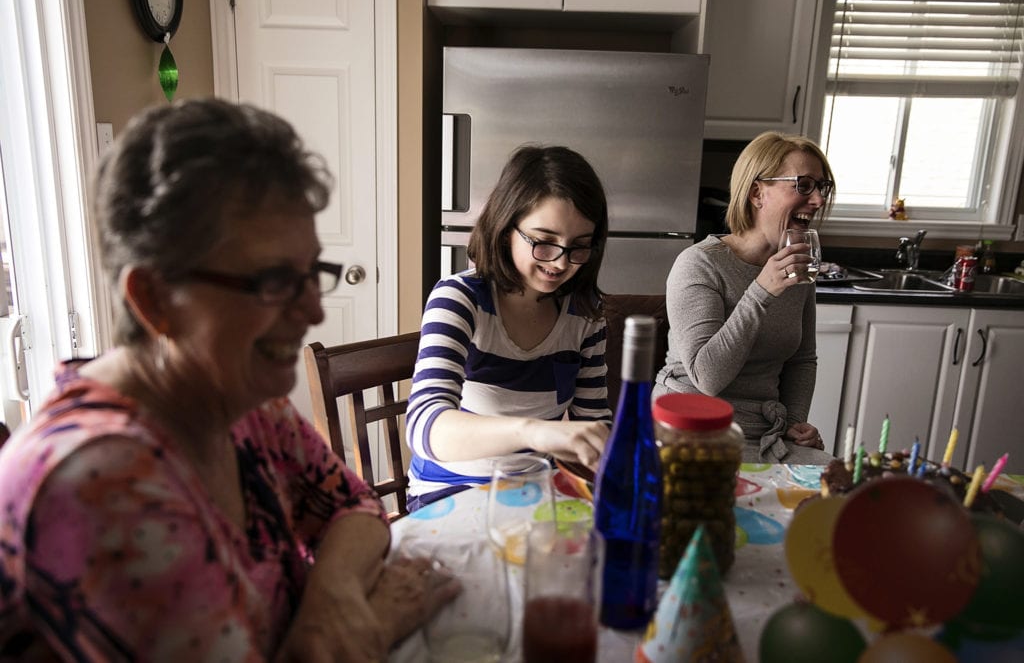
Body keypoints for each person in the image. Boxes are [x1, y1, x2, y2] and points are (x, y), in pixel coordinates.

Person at [0, 98, 457, 662]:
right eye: (272, 280)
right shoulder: (98, 481)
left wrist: (330, 600)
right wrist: (373, 623)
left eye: (313, 272)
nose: (315, 311)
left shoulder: (242, 401)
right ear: (154, 299)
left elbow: (355, 509)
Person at [405, 145, 613, 509]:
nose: (561, 263)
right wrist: (533, 431)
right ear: (505, 229)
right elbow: (426, 427)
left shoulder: (585, 315)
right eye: (545, 242)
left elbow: (594, 422)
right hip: (450, 496)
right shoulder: (459, 299)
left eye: (579, 247)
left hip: (537, 497)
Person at [653, 131, 836, 464]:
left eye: (821, 188)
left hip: (765, 432)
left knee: (837, 490)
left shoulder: (797, 266)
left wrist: (794, 423)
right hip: (690, 429)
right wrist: (761, 292)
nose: (818, 201)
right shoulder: (700, 264)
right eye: (803, 185)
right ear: (757, 192)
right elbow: (707, 377)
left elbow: (801, 359)